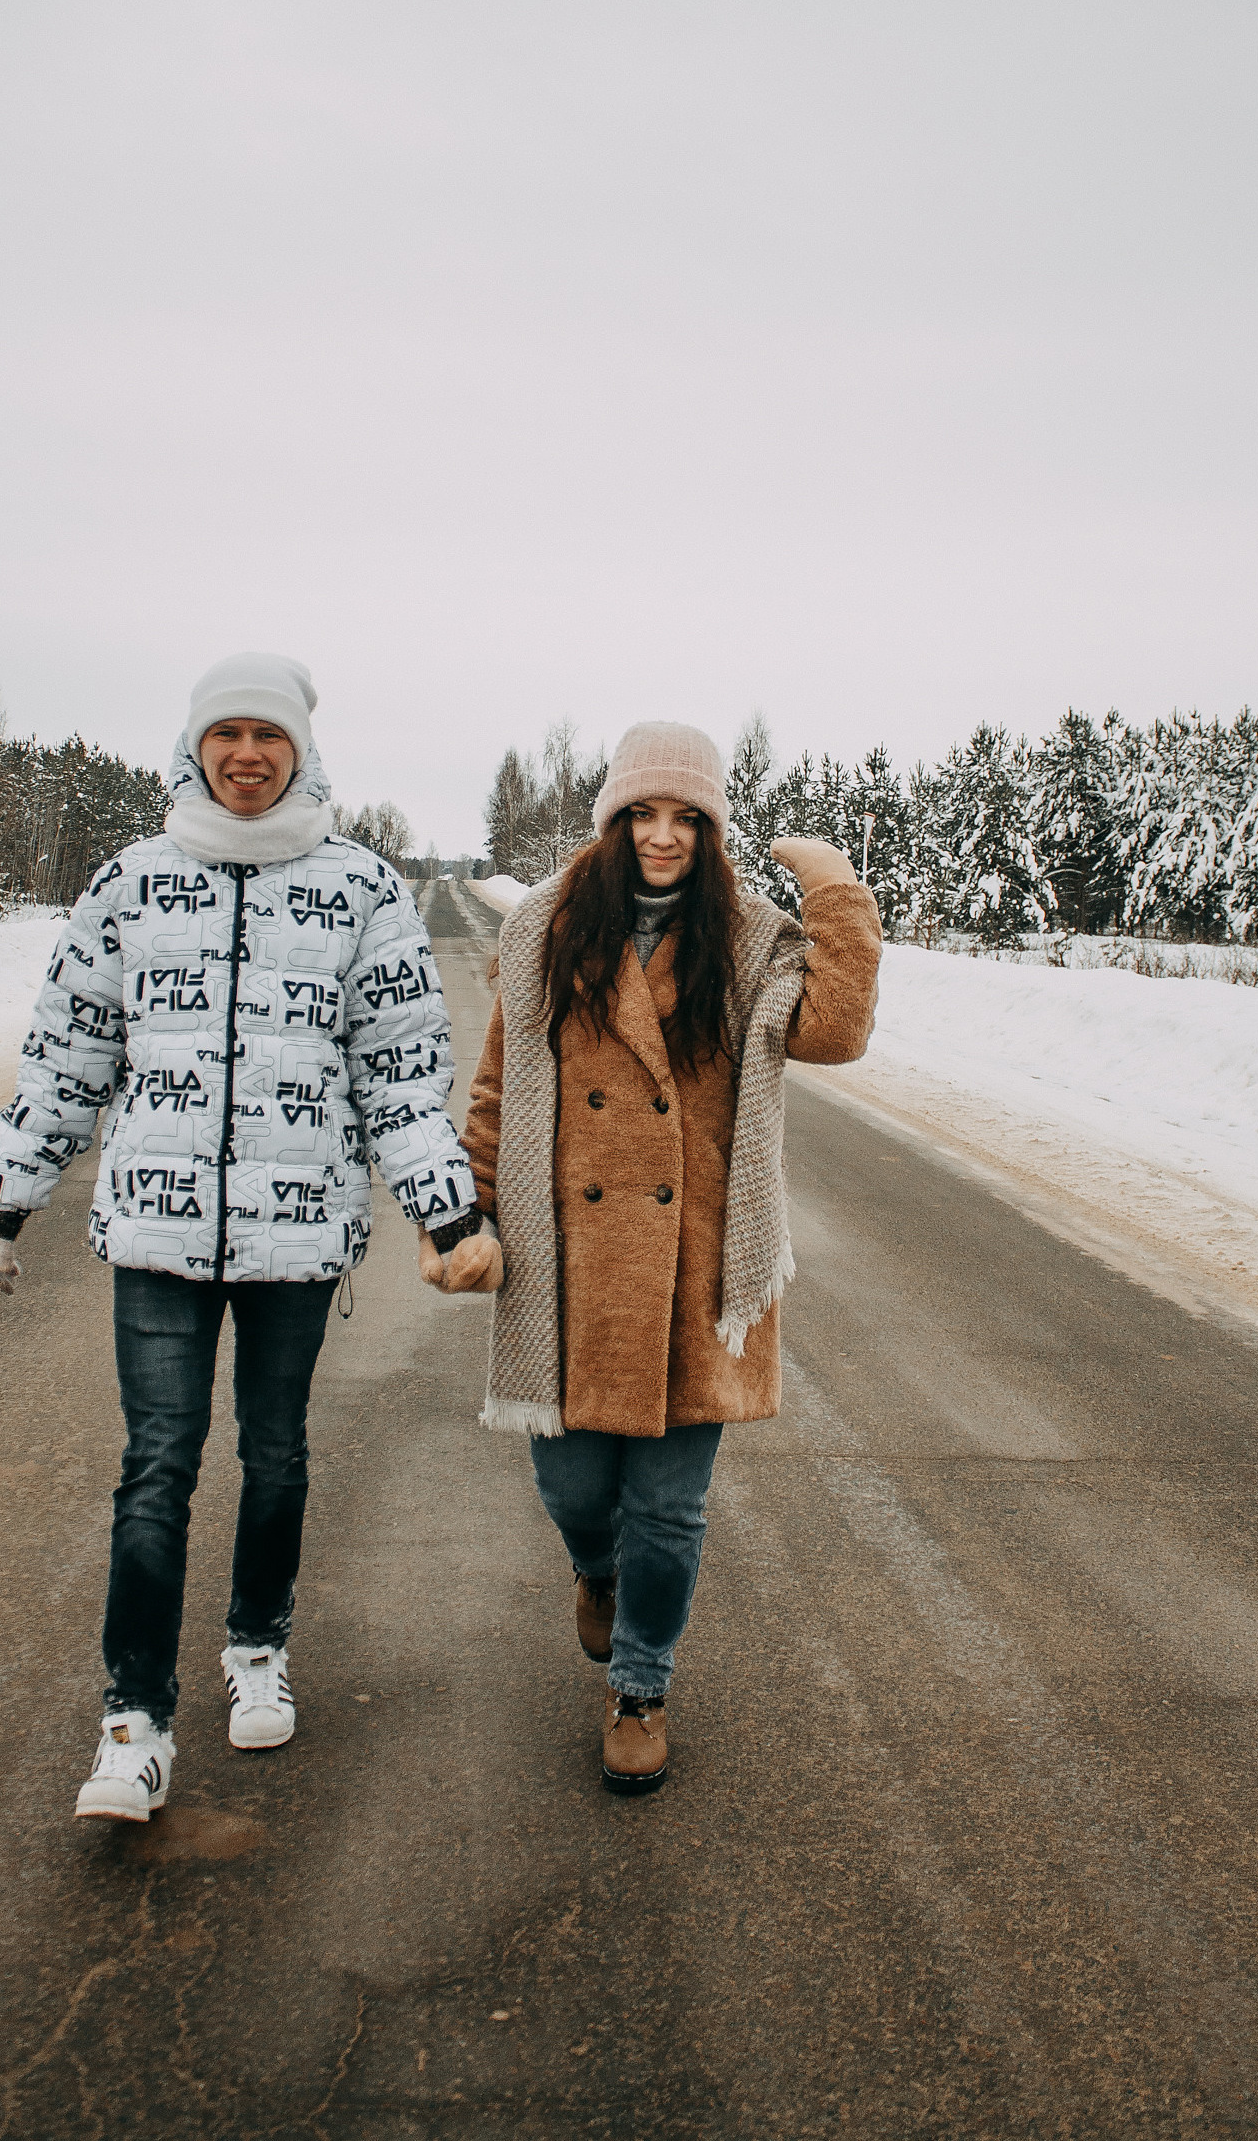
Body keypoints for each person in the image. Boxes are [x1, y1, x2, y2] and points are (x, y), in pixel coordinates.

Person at [0, 652, 486, 1822]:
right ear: (194, 748)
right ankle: (133, 1723)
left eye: (269, 735)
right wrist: (13, 1184)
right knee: (155, 1467)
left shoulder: (362, 890)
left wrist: (444, 1206)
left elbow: (400, 1072)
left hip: (297, 1235)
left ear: (302, 750)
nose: (247, 754)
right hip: (155, 1230)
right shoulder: (132, 884)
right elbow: (72, 1049)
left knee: (278, 1451)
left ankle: (258, 1643)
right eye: (226, 733)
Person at [452, 720, 881, 1795]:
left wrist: (836, 897)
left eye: (686, 817)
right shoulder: (547, 934)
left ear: (711, 830)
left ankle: (641, 1687)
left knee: (671, 1508)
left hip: (697, 1260)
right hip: (568, 1264)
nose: (661, 835)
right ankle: (595, 1572)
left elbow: (833, 1030)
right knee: (573, 1485)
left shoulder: (748, 939)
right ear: (610, 821)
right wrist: (466, 1211)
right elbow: (502, 1088)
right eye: (642, 813)